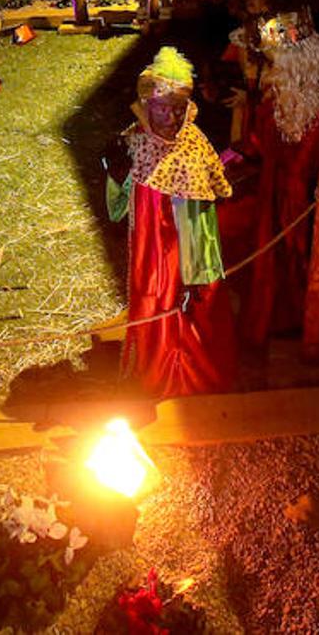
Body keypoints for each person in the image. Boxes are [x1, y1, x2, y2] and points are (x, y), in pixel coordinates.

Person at [221, 0, 319, 348]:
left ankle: (292, 316)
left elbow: (260, 145)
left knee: (292, 255)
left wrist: (250, 113)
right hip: (304, 191)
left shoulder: (290, 98)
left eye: (271, 63)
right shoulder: (317, 92)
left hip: (294, 198)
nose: (267, 69)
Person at [111, 47, 235, 397]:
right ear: (148, 104)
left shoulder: (193, 144)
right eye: (163, 107)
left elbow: (208, 200)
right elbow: (119, 207)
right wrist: (116, 174)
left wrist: (197, 271)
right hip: (152, 246)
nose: (171, 116)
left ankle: (191, 368)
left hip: (188, 241)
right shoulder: (135, 139)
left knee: (192, 302)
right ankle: (158, 365)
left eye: (179, 108)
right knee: (155, 297)